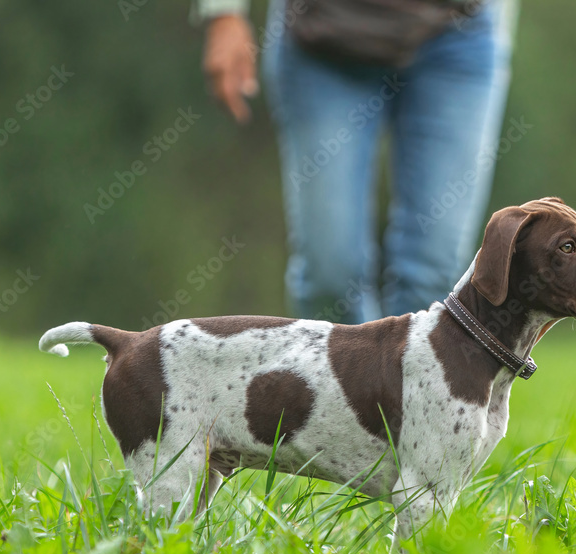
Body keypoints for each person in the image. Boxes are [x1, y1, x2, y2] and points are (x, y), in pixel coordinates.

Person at [194, 0, 516, 323]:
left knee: (432, 276)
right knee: (330, 278)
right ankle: (349, 371)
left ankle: (401, 374)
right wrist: (224, 14)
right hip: (321, 35)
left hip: (459, 34)